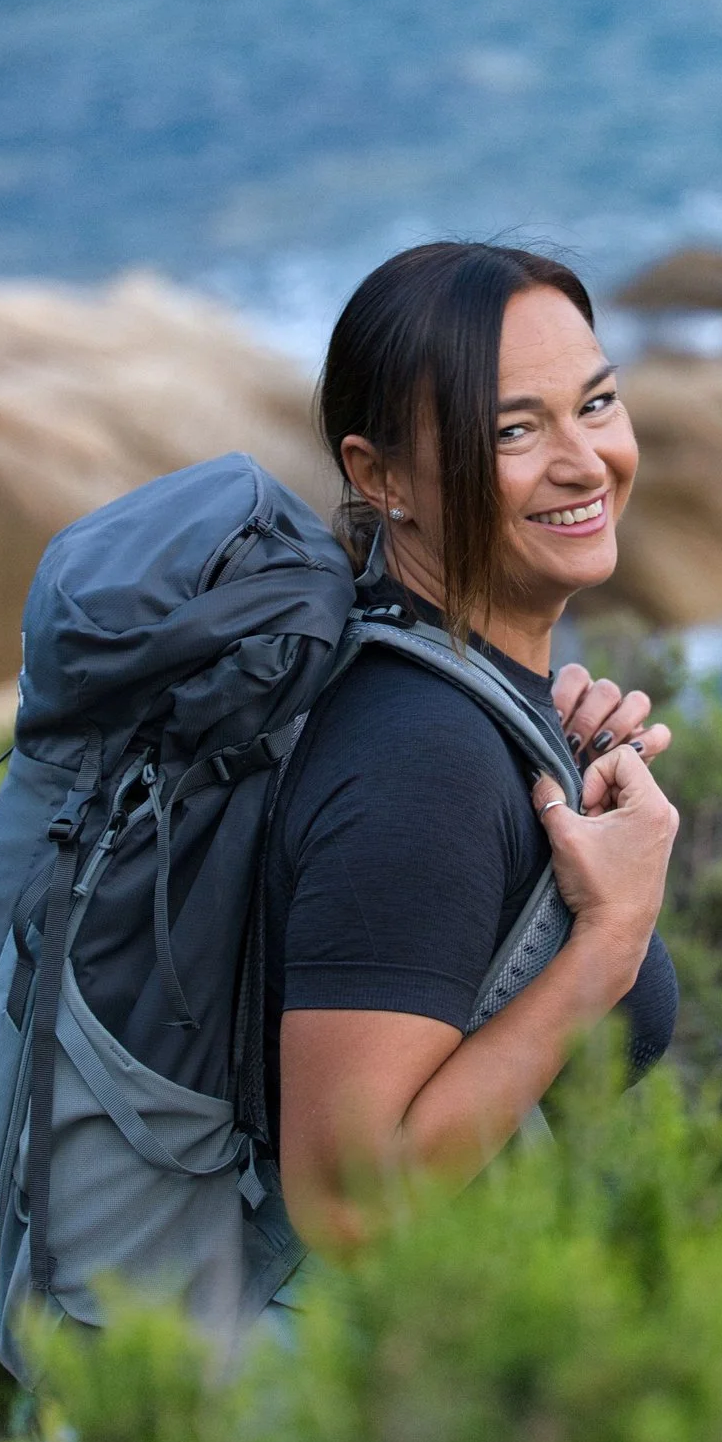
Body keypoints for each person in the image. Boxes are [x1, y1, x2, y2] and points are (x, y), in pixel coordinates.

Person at [268, 240, 681, 1255]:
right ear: (382, 477)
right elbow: (349, 1209)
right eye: (511, 430)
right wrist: (608, 940)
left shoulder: (461, 697)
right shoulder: (422, 759)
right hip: (368, 1396)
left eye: (595, 404)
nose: (585, 463)